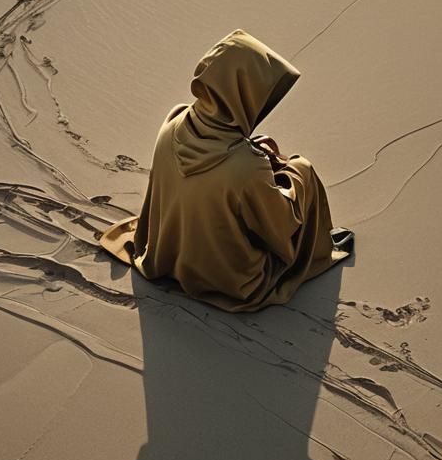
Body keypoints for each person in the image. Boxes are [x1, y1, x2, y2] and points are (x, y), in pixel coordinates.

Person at [98, 29, 353, 312]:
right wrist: (289, 169)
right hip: (232, 281)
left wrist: (253, 154)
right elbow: (280, 226)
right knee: (303, 170)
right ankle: (321, 248)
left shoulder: (174, 121)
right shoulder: (247, 167)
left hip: (166, 254)